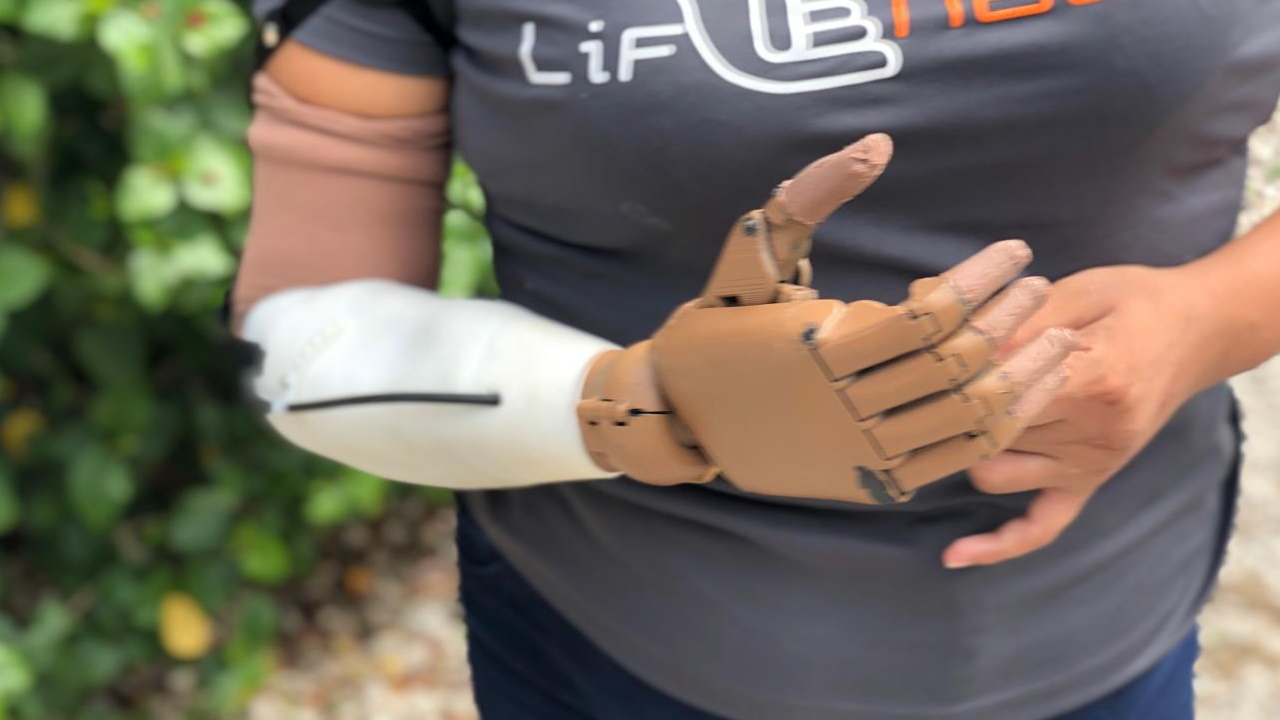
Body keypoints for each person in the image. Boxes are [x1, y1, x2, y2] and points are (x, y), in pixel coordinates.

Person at [235, 1, 1280, 718]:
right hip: (621, 638)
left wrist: (1202, 321)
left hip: (1111, 614)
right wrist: (634, 407)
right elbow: (300, 334)